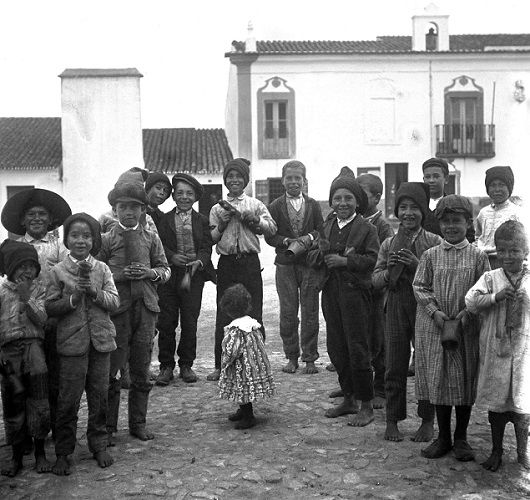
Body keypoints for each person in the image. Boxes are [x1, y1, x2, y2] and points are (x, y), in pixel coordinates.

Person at [413, 195, 490, 460]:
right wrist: (435, 313)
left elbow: (485, 289)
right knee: (441, 379)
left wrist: (466, 314)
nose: (450, 227)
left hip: (466, 328)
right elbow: (419, 286)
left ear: (468, 223)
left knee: (464, 379)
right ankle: (443, 436)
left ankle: (461, 438)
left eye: (456, 221)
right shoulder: (430, 255)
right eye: (445, 222)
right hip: (436, 328)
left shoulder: (478, 256)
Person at [97, 170, 170, 444]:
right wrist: (121, 276)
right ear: (115, 209)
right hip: (117, 313)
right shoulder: (106, 239)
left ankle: (138, 424)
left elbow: (165, 269)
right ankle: (108, 428)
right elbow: (97, 274)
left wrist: (150, 274)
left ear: (142, 210)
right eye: (123, 207)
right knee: (113, 371)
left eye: (134, 207)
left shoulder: (151, 238)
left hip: (146, 310)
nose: (129, 212)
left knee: (141, 369)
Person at [45, 213, 119, 475]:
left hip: (101, 342)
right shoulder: (57, 271)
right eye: (75, 235)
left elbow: (114, 301)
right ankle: (63, 452)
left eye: (86, 236)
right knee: (68, 400)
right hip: (71, 345)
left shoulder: (102, 269)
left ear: (94, 240)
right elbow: (50, 307)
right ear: (66, 239)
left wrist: (94, 294)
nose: (81, 240)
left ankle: (98, 444)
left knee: (99, 397)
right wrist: (74, 299)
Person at [308, 167, 379, 427]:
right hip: (331, 293)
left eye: (348, 198)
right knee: (337, 347)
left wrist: (345, 260)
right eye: (337, 198)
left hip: (355, 295)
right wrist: (321, 254)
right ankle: (348, 398)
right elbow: (314, 257)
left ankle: (367, 405)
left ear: (357, 201)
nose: (342, 203)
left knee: (358, 347)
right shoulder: (326, 226)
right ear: (331, 201)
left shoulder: (366, 229)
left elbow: (373, 260)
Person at [372, 182, 442, 442]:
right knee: (394, 364)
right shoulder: (389, 242)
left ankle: (427, 420)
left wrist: (417, 266)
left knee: (425, 365)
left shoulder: (434, 243)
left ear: (423, 211)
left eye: (414, 208)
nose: (408, 213)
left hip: (425, 308)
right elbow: (375, 280)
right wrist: (389, 271)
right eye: (403, 207)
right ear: (396, 211)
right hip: (397, 304)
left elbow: (440, 282)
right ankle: (392, 420)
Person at [1, 188, 71, 440]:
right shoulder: (13, 247)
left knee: (50, 376)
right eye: (31, 214)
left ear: (50, 219)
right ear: (22, 220)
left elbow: (68, 278)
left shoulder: (60, 248)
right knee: (19, 383)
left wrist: (56, 313)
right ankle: (21, 437)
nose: (37, 218)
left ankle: (46, 427)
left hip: (51, 316)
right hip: (21, 323)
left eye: (42, 214)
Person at [466, 220, 530, 471]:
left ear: (526, 251)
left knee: (522, 407)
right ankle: (496, 451)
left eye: (514, 250)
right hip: (497, 351)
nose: (508, 256)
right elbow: (471, 302)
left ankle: (522, 452)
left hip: (524, 353)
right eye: (502, 250)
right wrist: (494, 298)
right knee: (497, 407)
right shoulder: (491, 278)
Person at [207, 158, 277, 381]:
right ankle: (221, 365)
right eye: (230, 176)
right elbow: (211, 238)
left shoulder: (255, 204)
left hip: (249, 263)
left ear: (245, 180)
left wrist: (256, 220)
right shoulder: (217, 208)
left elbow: (272, 229)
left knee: (254, 312)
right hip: (227, 264)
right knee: (223, 314)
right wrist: (222, 223)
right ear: (225, 180)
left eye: (239, 176)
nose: (234, 180)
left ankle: (257, 364)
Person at [155, 173, 215, 385]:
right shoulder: (164, 220)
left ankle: (186, 364)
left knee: (190, 321)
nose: (184, 197)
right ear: (174, 196)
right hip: (170, 276)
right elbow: (159, 244)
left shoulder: (202, 220)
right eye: (179, 192)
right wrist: (172, 257)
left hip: (193, 276)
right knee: (166, 321)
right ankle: (166, 366)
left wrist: (199, 261)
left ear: (196, 197)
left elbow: (207, 247)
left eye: (189, 193)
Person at [265, 160, 323, 375]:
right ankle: (291, 357)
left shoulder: (314, 205)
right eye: (289, 178)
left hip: (310, 265)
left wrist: (309, 238)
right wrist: (285, 241)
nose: (293, 182)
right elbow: (270, 236)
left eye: (297, 178)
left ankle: (310, 358)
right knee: (288, 312)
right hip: (285, 265)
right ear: (283, 181)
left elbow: (321, 230)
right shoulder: (275, 206)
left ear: (304, 181)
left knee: (310, 311)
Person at [0, 240, 51, 477]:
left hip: (34, 350)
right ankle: (16, 455)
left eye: (31, 266)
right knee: (13, 401)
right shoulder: (0, 291)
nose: (27, 271)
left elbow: (42, 319)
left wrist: (26, 298)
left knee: (38, 400)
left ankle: (40, 451)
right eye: (21, 266)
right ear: (10, 268)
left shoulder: (39, 289)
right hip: (10, 354)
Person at [357, 173, 395, 409]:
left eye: (364, 194)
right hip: (354, 291)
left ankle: (380, 387)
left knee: (378, 341)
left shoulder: (382, 226)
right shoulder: (352, 220)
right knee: (357, 339)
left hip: (374, 292)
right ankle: (355, 385)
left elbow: (384, 260)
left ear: (377, 197)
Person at [219, 284, 275, 429]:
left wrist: (225, 361)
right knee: (244, 391)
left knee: (242, 390)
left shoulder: (236, 329)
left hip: (242, 368)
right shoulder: (252, 324)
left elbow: (232, 349)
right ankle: (243, 412)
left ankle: (248, 417)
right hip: (254, 365)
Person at [475, 166, 522, 269]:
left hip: (506, 262)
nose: (497, 190)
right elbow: (478, 236)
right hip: (483, 261)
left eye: (501, 185)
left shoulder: (517, 213)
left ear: (509, 188)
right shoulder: (483, 212)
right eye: (492, 185)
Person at [422, 157, 475, 243]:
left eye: (436, 176)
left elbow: (469, 236)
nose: (431, 180)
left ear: (446, 179)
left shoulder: (457, 205)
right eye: (428, 177)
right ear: (423, 179)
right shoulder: (418, 207)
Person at [99, 168, 158, 234]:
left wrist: (143, 223)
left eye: (134, 205)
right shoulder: (105, 218)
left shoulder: (147, 219)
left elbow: (155, 241)